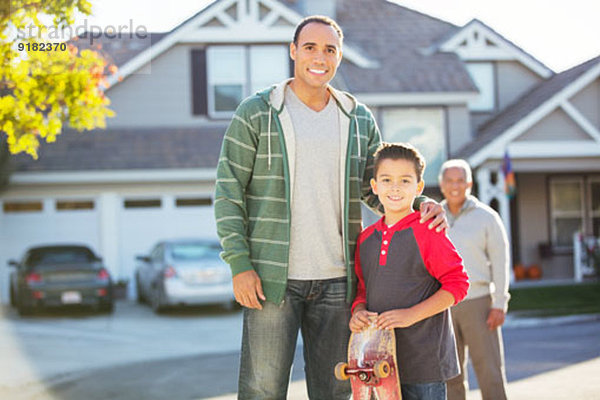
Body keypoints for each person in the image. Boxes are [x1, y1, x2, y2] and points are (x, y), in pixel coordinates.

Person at [214, 16, 446, 399]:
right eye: (310, 47)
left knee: (337, 390)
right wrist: (239, 264)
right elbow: (228, 192)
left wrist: (421, 205)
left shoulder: (357, 119)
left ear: (339, 57)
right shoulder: (257, 112)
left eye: (330, 49)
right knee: (262, 390)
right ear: (293, 51)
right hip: (273, 280)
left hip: (340, 281)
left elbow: (378, 188)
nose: (319, 57)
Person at [350, 143, 469, 400]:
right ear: (374, 187)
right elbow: (362, 290)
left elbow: (458, 284)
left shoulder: (427, 231)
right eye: (386, 180)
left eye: (404, 180)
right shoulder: (366, 239)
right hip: (379, 363)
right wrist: (358, 312)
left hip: (424, 364)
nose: (394, 187)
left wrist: (411, 315)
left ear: (418, 188)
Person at [439, 159, 510, 400]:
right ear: (442, 184)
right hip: (443, 305)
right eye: (450, 180)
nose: (455, 186)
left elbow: (501, 262)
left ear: (469, 183)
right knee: (450, 376)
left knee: (489, 371)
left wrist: (500, 303)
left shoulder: (487, 217)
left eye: (460, 180)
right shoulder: (432, 216)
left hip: (478, 302)